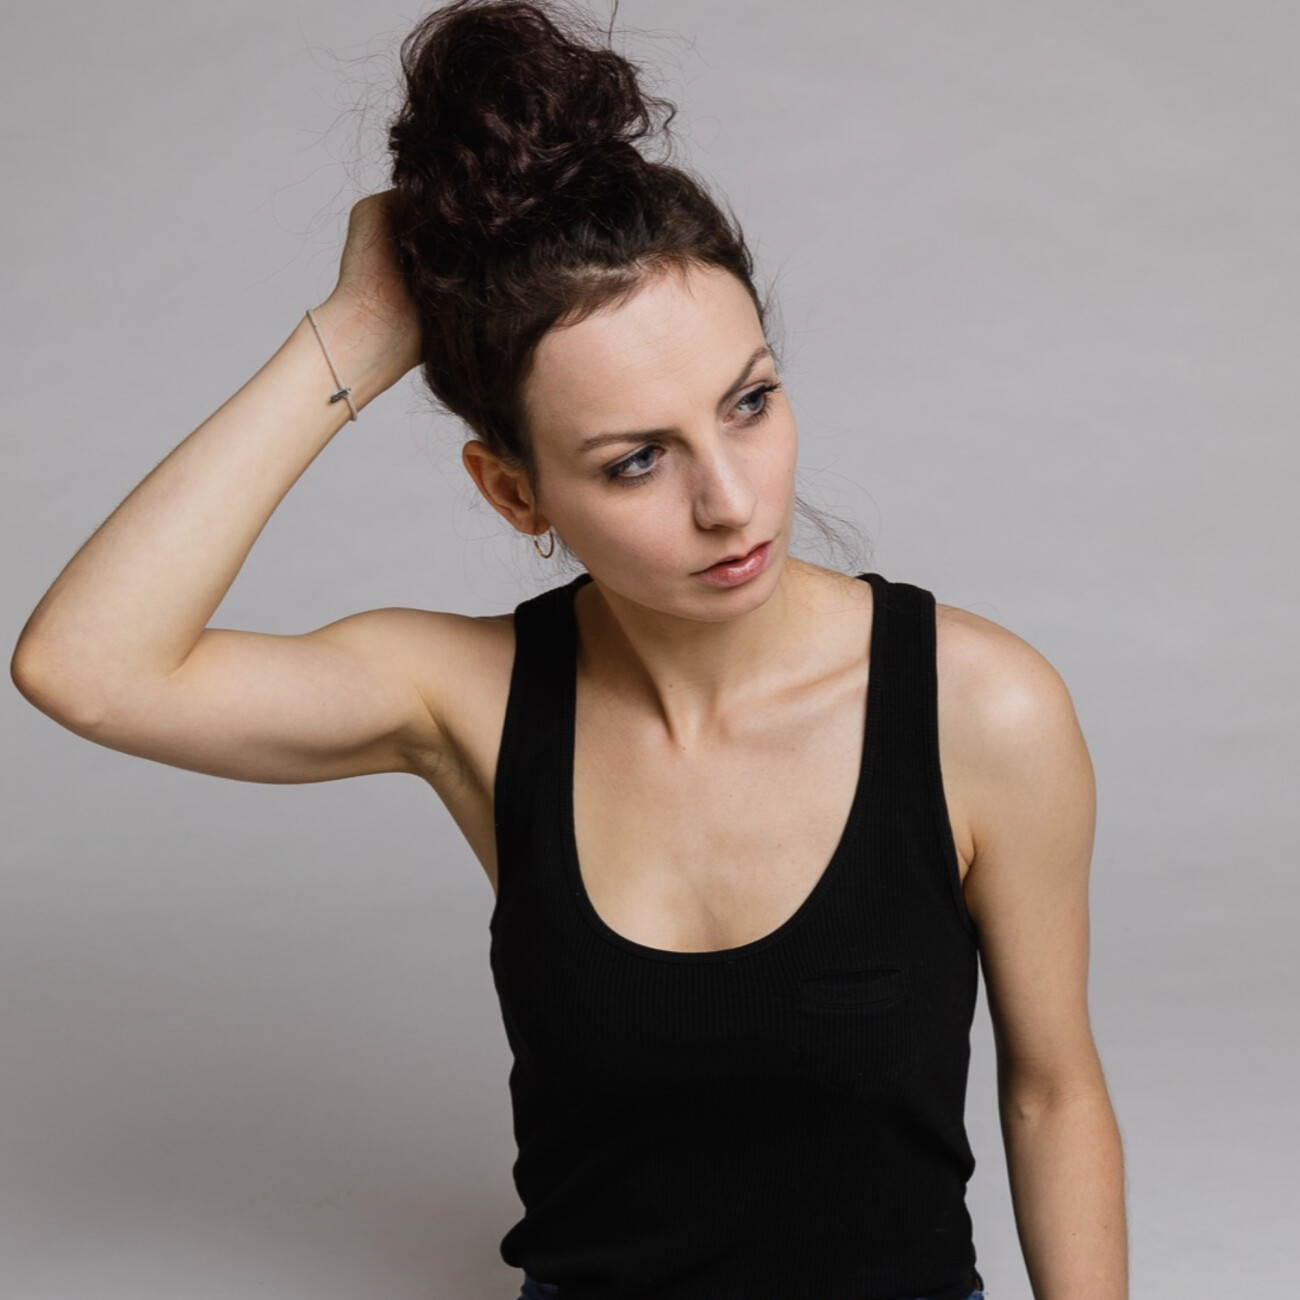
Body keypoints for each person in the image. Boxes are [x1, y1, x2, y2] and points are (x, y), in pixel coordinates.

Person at [10, 1, 1128, 1297]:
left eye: (750, 402)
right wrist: (355, 330)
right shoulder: (468, 701)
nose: (731, 501)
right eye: (637, 460)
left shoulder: (980, 709)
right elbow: (86, 670)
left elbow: (1053, 1094)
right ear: (515, 493)